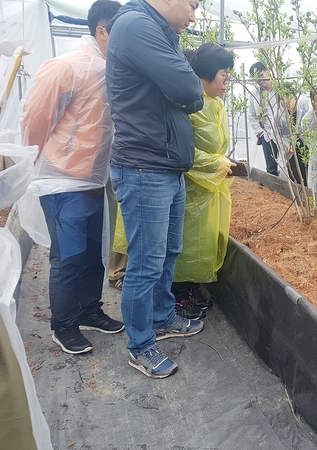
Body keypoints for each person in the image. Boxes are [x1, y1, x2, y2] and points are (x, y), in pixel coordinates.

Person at [106, 0, 205, 379]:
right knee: (145, 263)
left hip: (165, 165)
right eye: (193, 5)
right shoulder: (135, 25)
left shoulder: (161, 32)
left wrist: (181, 91)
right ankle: (140, 344)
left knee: (169, 251)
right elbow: (186, 84)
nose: (194, 15)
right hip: (144, 165)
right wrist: (179, 89)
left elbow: (193, 96)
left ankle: (163, 315)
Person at [20, 0, 124, 355]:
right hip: (62, 180)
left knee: (93, 252)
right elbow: (35, 118)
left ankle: (89, 310)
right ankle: (62, 324)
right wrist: (45, 159)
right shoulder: (67, 66)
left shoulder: (110, 68)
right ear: (101, 30)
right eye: (120, 33)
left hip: (93, 180)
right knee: (69, 256)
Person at [170, 43, 235, 318]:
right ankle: (177, 296)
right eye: (223, 74)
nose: (226, 81)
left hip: (209, 186)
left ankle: (192, 288)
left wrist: (222, 163)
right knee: (183, 241)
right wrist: (216, 163)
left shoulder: (216, 104)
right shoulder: (189, 104)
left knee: (201, 241)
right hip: (189, 186)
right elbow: (183, 150)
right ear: (206, 74)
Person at [247, 61, 287, 176]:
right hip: (267, 136)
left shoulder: (281, 89)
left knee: (289, 166)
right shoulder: (255, 94)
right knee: (271, 169)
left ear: (268, 71)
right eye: (257, 79)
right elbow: (251, 115)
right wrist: (260, 133)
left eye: (261, 76)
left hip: (284, 134)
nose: (260, 81)